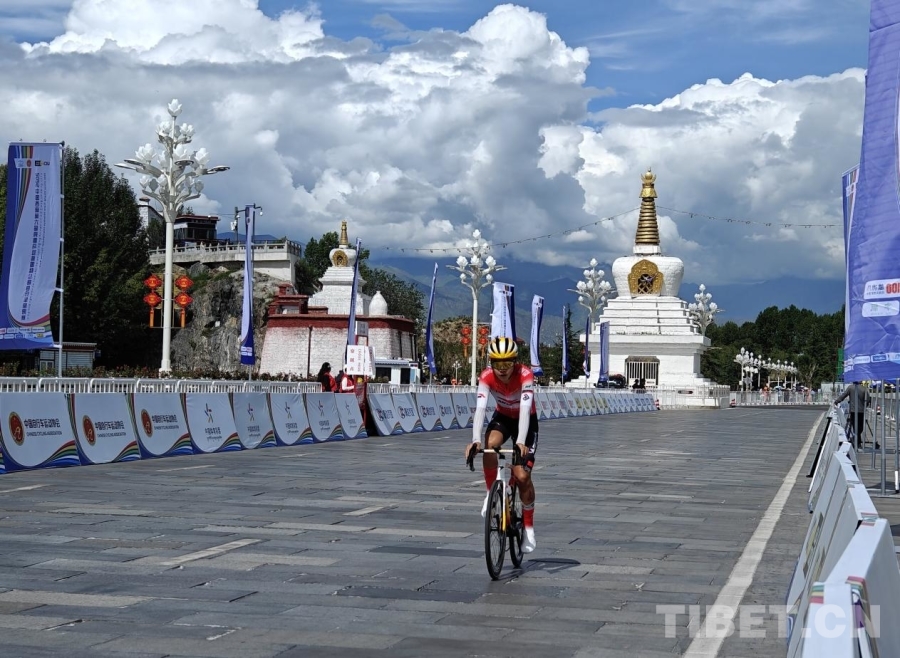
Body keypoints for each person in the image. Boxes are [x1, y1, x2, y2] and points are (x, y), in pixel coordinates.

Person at [464, 336, 539, 553]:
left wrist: (521, 441)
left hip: (526, 422)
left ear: (515, 362)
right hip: (503, 418)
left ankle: (528, 527)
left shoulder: (525, 375)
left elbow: (525, 410)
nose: (503, 369)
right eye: (498, 363)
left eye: (507, 363)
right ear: (491, 363)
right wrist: (475, 440)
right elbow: (480, 410)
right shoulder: (486, 377)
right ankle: (491, 493)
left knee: (522, 476)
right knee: (489, 445)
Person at [834, 381, 871, 449]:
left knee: (854, 426)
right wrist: (864, 405)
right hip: (861, 411)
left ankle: (856, 441)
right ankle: (858, 441)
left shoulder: (850, 388)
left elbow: (843, 395)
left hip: (853, 410)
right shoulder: (864, 389)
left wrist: (837, 401)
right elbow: (868, 399)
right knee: (860, 427)